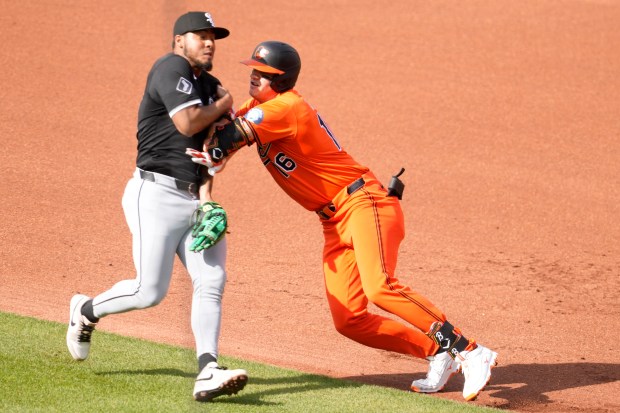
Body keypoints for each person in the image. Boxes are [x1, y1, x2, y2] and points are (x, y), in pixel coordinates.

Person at [186, 41, 498, 401]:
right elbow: (226, 135)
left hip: (364, 203)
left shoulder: (287, 107)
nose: (254, 76)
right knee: (348, 318)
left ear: (282, 79)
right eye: (253, 70)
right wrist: (216, 146)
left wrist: (212, 144)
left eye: (263, 73)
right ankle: (436, 352)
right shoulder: (260, 106)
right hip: (333, 221)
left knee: (380, 287)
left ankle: (471, 350)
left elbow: (226, 137)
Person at [66, 12, 248, 402]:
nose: (209, 42)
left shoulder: (210, 85)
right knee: (150, 291)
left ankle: (208, 371)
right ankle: (86, 310)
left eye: (213, 37)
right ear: (179, 40)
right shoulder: (170, 67)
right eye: (200, 36)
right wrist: (228, 101)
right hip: (155, 195)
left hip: (194, 199)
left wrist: (208, 195)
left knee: (212, 282)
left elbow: (214, 149)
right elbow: (187, 123)